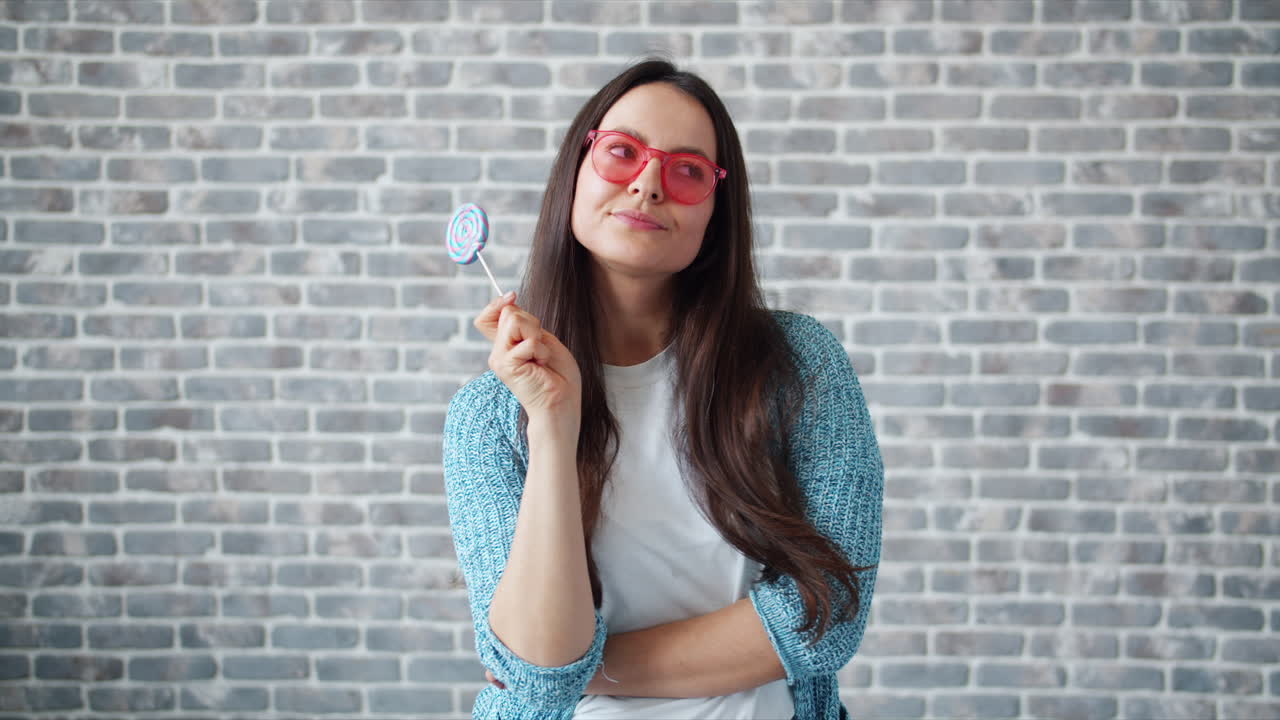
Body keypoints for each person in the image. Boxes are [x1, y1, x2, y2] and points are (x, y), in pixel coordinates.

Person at [443, 58, 884, 720]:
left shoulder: (797, 364)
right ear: (576, 170)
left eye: (687, 171)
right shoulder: (488, 417)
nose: (648, 185)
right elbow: (538, 672)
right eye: (622, 153)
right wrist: (553, 427)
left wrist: (592, 668)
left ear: (715, 210)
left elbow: (822, 618)